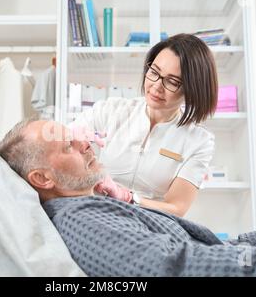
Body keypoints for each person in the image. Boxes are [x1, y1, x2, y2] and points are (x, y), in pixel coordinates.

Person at [0, 119, 256, 277]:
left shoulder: (93, 203)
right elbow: (174, 268)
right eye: (68, 145)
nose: (85, 143)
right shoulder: (79, 220)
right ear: (42, 178)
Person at [70, 33, 219, 217]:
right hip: (96, 215)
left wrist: (128, 198)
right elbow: (60, 144)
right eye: (154, 72)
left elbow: (176, 207)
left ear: (193, 89)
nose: (156, 86)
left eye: (172, 81)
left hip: (151, 226)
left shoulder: (199, 141)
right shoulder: (109, 111)